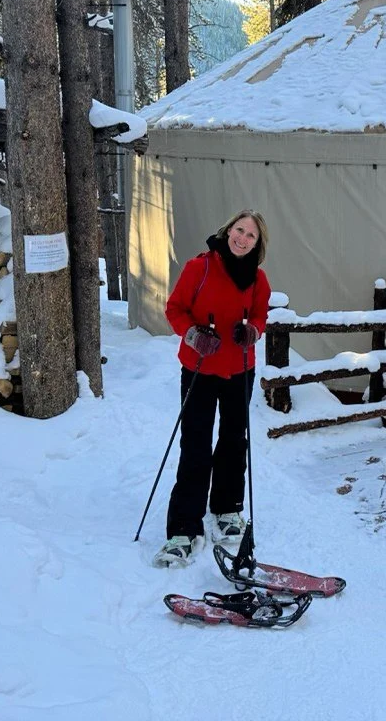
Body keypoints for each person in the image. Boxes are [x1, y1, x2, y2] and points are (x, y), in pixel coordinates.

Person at [154, 209, 272, 568]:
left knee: (234, 439)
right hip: (200, 367)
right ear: (228, 230)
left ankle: (226, 508)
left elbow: (260, 316)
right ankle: (184, 529)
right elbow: (175, 309)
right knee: (195, 443)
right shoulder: (199, 268)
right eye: (239, 230)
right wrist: (192, 334)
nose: (242, 239)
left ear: (257, 244)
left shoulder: (258, 278)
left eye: (251, 236)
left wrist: (251, 331)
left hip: (239, 367)